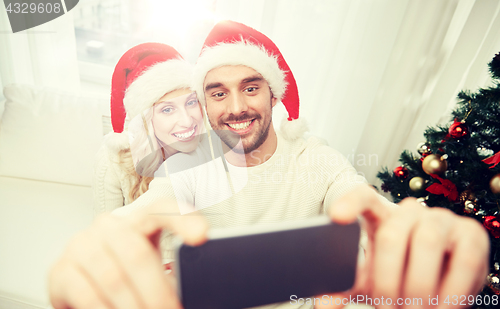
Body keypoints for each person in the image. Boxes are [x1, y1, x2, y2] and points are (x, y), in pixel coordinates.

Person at [50, 21, 489, 309]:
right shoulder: (189, 166)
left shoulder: (313, 155)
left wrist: (412, 231)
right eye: (218, 93)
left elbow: (358, 196)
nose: (237, 107)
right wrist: (98, 246)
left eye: (251, 87)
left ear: (274, 94)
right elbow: (146, 211)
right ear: (204, 103)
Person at [93, 42, 202, 214]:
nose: (187, 121)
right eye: (167, 109)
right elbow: (106, 231)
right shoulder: (114, 160)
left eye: (191, 102)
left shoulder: (216, 147)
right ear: (146, 121)